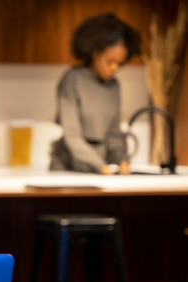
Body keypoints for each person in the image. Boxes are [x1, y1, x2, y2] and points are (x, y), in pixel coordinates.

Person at [49, 13, 141, 175]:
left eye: (119, 63)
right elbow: (72, 135)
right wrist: (100, 166)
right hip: (69, 166)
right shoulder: (73, 80)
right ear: (95, 52)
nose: (114, 68)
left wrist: (122, 161)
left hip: (100, 166)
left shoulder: (114, 86)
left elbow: (114, 133)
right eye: (110, 61)